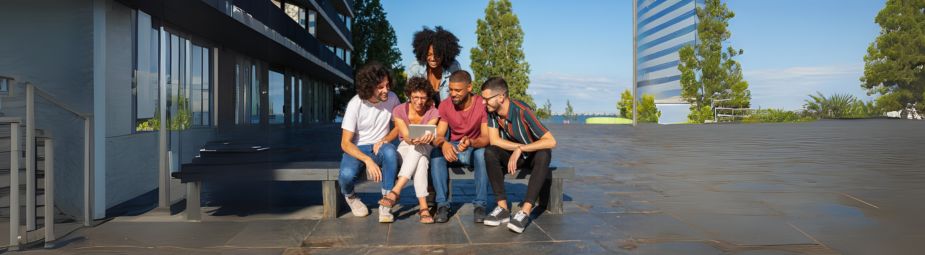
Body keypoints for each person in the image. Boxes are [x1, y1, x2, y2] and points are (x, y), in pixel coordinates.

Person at [479, 77, 558, 234]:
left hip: (534, 156)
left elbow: (551, 141)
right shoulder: (492, 112)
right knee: (489, 152)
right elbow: (494, 140)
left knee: (544, 154)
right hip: (516, 156)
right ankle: (502, 209)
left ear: (501, 97)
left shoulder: (523, 111)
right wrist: (518, 148)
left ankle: (525, 212)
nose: (483, 102)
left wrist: (522, 148)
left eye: (486, 99)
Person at [339, 61, 401, 223]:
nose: (386, 90)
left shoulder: (393, 98)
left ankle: (386, 202)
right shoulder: (355, 104)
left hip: (380, 146)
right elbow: (345, 143)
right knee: (345, 176)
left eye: (387, 85)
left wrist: (385, 139)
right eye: (380, 87)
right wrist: (367, 160)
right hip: (357, 148)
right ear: (369, 87)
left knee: (390, 151)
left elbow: (400, 126)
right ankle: (351, 197)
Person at [429, 70, 491, 223]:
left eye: (457, 90)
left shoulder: (482, 105)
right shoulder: (445, 105)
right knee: (436, 155)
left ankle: (480, 205)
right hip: (455, 147)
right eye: (450, 89)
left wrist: (470, 142)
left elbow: (486, 138)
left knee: (482, 154)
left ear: (469, 87)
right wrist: (444, 144)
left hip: (474, 147)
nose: (453, 94)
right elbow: (439, 135)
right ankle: (442, 204)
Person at [377, 77, 440, 224]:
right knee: (421, 161)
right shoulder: (399, 110)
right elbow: (405, 135)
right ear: (409, 95)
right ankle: (423, 208)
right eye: (415, 97)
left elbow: (430, 132)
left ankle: (396, 191)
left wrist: (424, 138)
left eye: (423, 98)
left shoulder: (433, 112)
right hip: (406, 146)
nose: (419, 101)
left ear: (428, 98)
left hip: (427, 146)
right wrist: (413, 140)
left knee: (421, 151)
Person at [407, 26, 462, 103]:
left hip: (448, 109)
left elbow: (459, 93)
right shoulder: (415, 68)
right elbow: (411, 97)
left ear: (444, 54)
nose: (433, 58)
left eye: (437, 55)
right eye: (428, 54)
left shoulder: (453, 67)